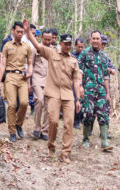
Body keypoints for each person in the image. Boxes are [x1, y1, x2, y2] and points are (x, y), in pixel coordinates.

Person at [23, 19, 81, 164]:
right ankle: (51, 147)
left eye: (69, 44)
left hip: (68, 96)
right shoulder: (51, 53)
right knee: (53, 121)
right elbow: (37, 45)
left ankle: (65, 153)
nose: (68, 46)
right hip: (53, 93)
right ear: (60, 43)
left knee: (68, 123)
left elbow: (76, 81)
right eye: (65, 44)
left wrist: (78, 98)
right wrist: (28, 32)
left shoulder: (74, 60)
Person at [78, 30, 113, 151]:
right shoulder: (84, 54)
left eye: (98, 39)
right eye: (93, 38)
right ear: (90, 39)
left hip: (101, 91)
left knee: (103, 114)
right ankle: (86, 139)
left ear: (100, 41)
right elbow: (79, 72)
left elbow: (106, 76)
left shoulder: (104, 57)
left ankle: (104, 141)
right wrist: (80, 87)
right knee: (88, 114)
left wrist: (108, 93)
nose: (95, 41)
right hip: (88, 90)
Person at [1, 21, 33, 142]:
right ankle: (12, 131)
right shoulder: (7, 46)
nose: (20, 34)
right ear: (13, 31)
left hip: (22, 78)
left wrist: (29, 74)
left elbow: (30, 64)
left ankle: (19, 124)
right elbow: (3, 65)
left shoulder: (27, 46)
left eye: (22, 32)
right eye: (18, 31)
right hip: (9, 77)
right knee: (12, 105)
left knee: (24, 103)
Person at [31, 29, 52, 141]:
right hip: (37, 79)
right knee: (39, 101)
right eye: (45, 39)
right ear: (41, 38)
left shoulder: (54, 50)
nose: (47, 42)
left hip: (49, 81)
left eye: (49, 40)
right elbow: (31, 64)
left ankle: (45, 130)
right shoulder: (35, 49)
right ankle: (37, 128)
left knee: (48, 106)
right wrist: (29, 81)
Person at [72, 38, 84, 129]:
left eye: (82, 47)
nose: (80, 48)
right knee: (76, 99)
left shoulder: (85, 55)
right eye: (79, 47)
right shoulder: (72, 56)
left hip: (84, 81)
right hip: (74, 81)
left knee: (83, 100)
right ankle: (75, 121)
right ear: (75, 46)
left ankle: (81, 118)